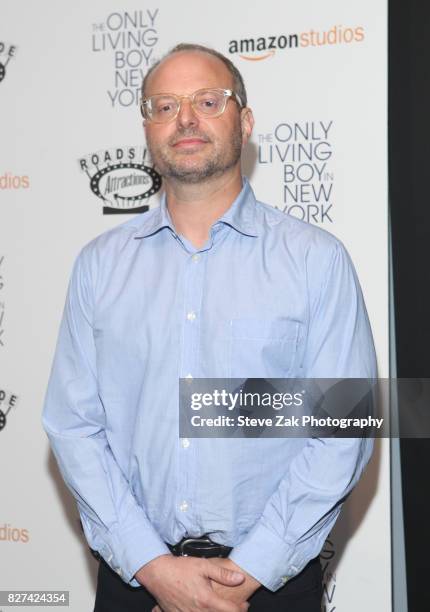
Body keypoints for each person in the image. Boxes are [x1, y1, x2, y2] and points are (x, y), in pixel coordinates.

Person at [42, 43, 377, 612]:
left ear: (244, 121)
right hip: (135, 583)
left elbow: (344, 426)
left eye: (207, 100)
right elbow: (73, 427)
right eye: (165, 105)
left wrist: (249, 569)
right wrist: (152, 566)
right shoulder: (98, 266)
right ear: (147, 128)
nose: (186, 119)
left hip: (270, 584)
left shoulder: (315, 260)